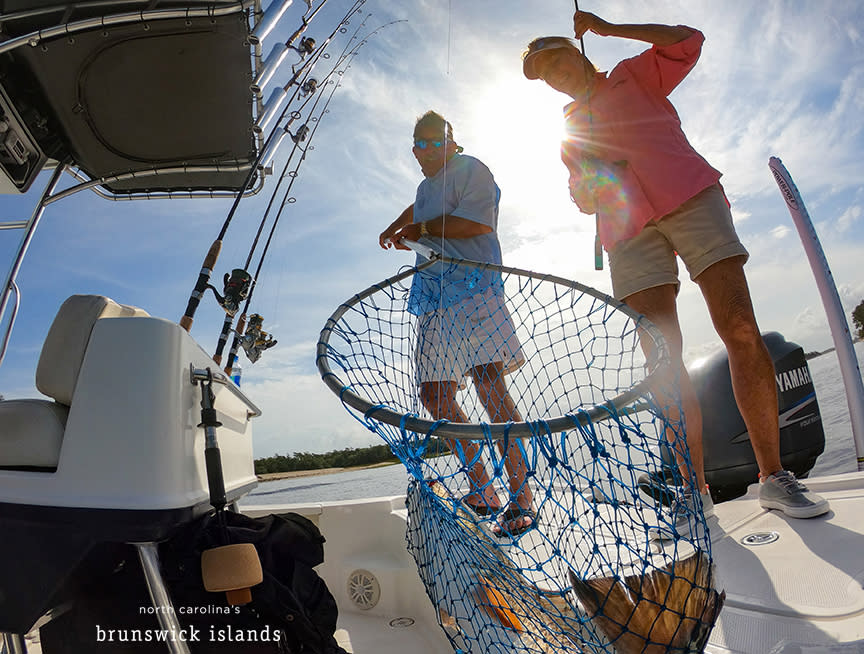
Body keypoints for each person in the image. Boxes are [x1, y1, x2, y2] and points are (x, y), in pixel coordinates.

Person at [521, 12, 828, 529]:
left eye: (556, 60)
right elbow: (581, 194)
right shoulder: (568, 130)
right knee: (663, 359)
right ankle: (694, 490)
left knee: (740, 329)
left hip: (691, 199)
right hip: (628, 234)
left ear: (578, 52)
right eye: (543, 73)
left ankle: (774, 477)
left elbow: (689, 41)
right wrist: (589, 189)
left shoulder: (634, 72)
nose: (553, 74)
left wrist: (608, 27)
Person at [378, 110, 535, 538]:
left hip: (474, 287)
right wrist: (397, 226)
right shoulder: (424, 185)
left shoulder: (471, 169)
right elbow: (422, 203)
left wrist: (419, 226)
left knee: (488, 385)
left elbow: (475, 223)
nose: (428, 149)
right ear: (414, 149)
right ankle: (483, 488)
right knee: (434, 396)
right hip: (433, 297)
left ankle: (522, 497)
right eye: (420, 143)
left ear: (452, 142)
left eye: (436, 141)